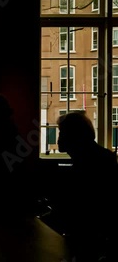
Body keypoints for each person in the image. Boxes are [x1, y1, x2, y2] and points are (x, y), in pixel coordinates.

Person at [53, 112, 118, 261]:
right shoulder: (100, 157)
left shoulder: (88, 162)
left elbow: (84, 208)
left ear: (73, 136)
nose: (58, 138)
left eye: (62, 133)